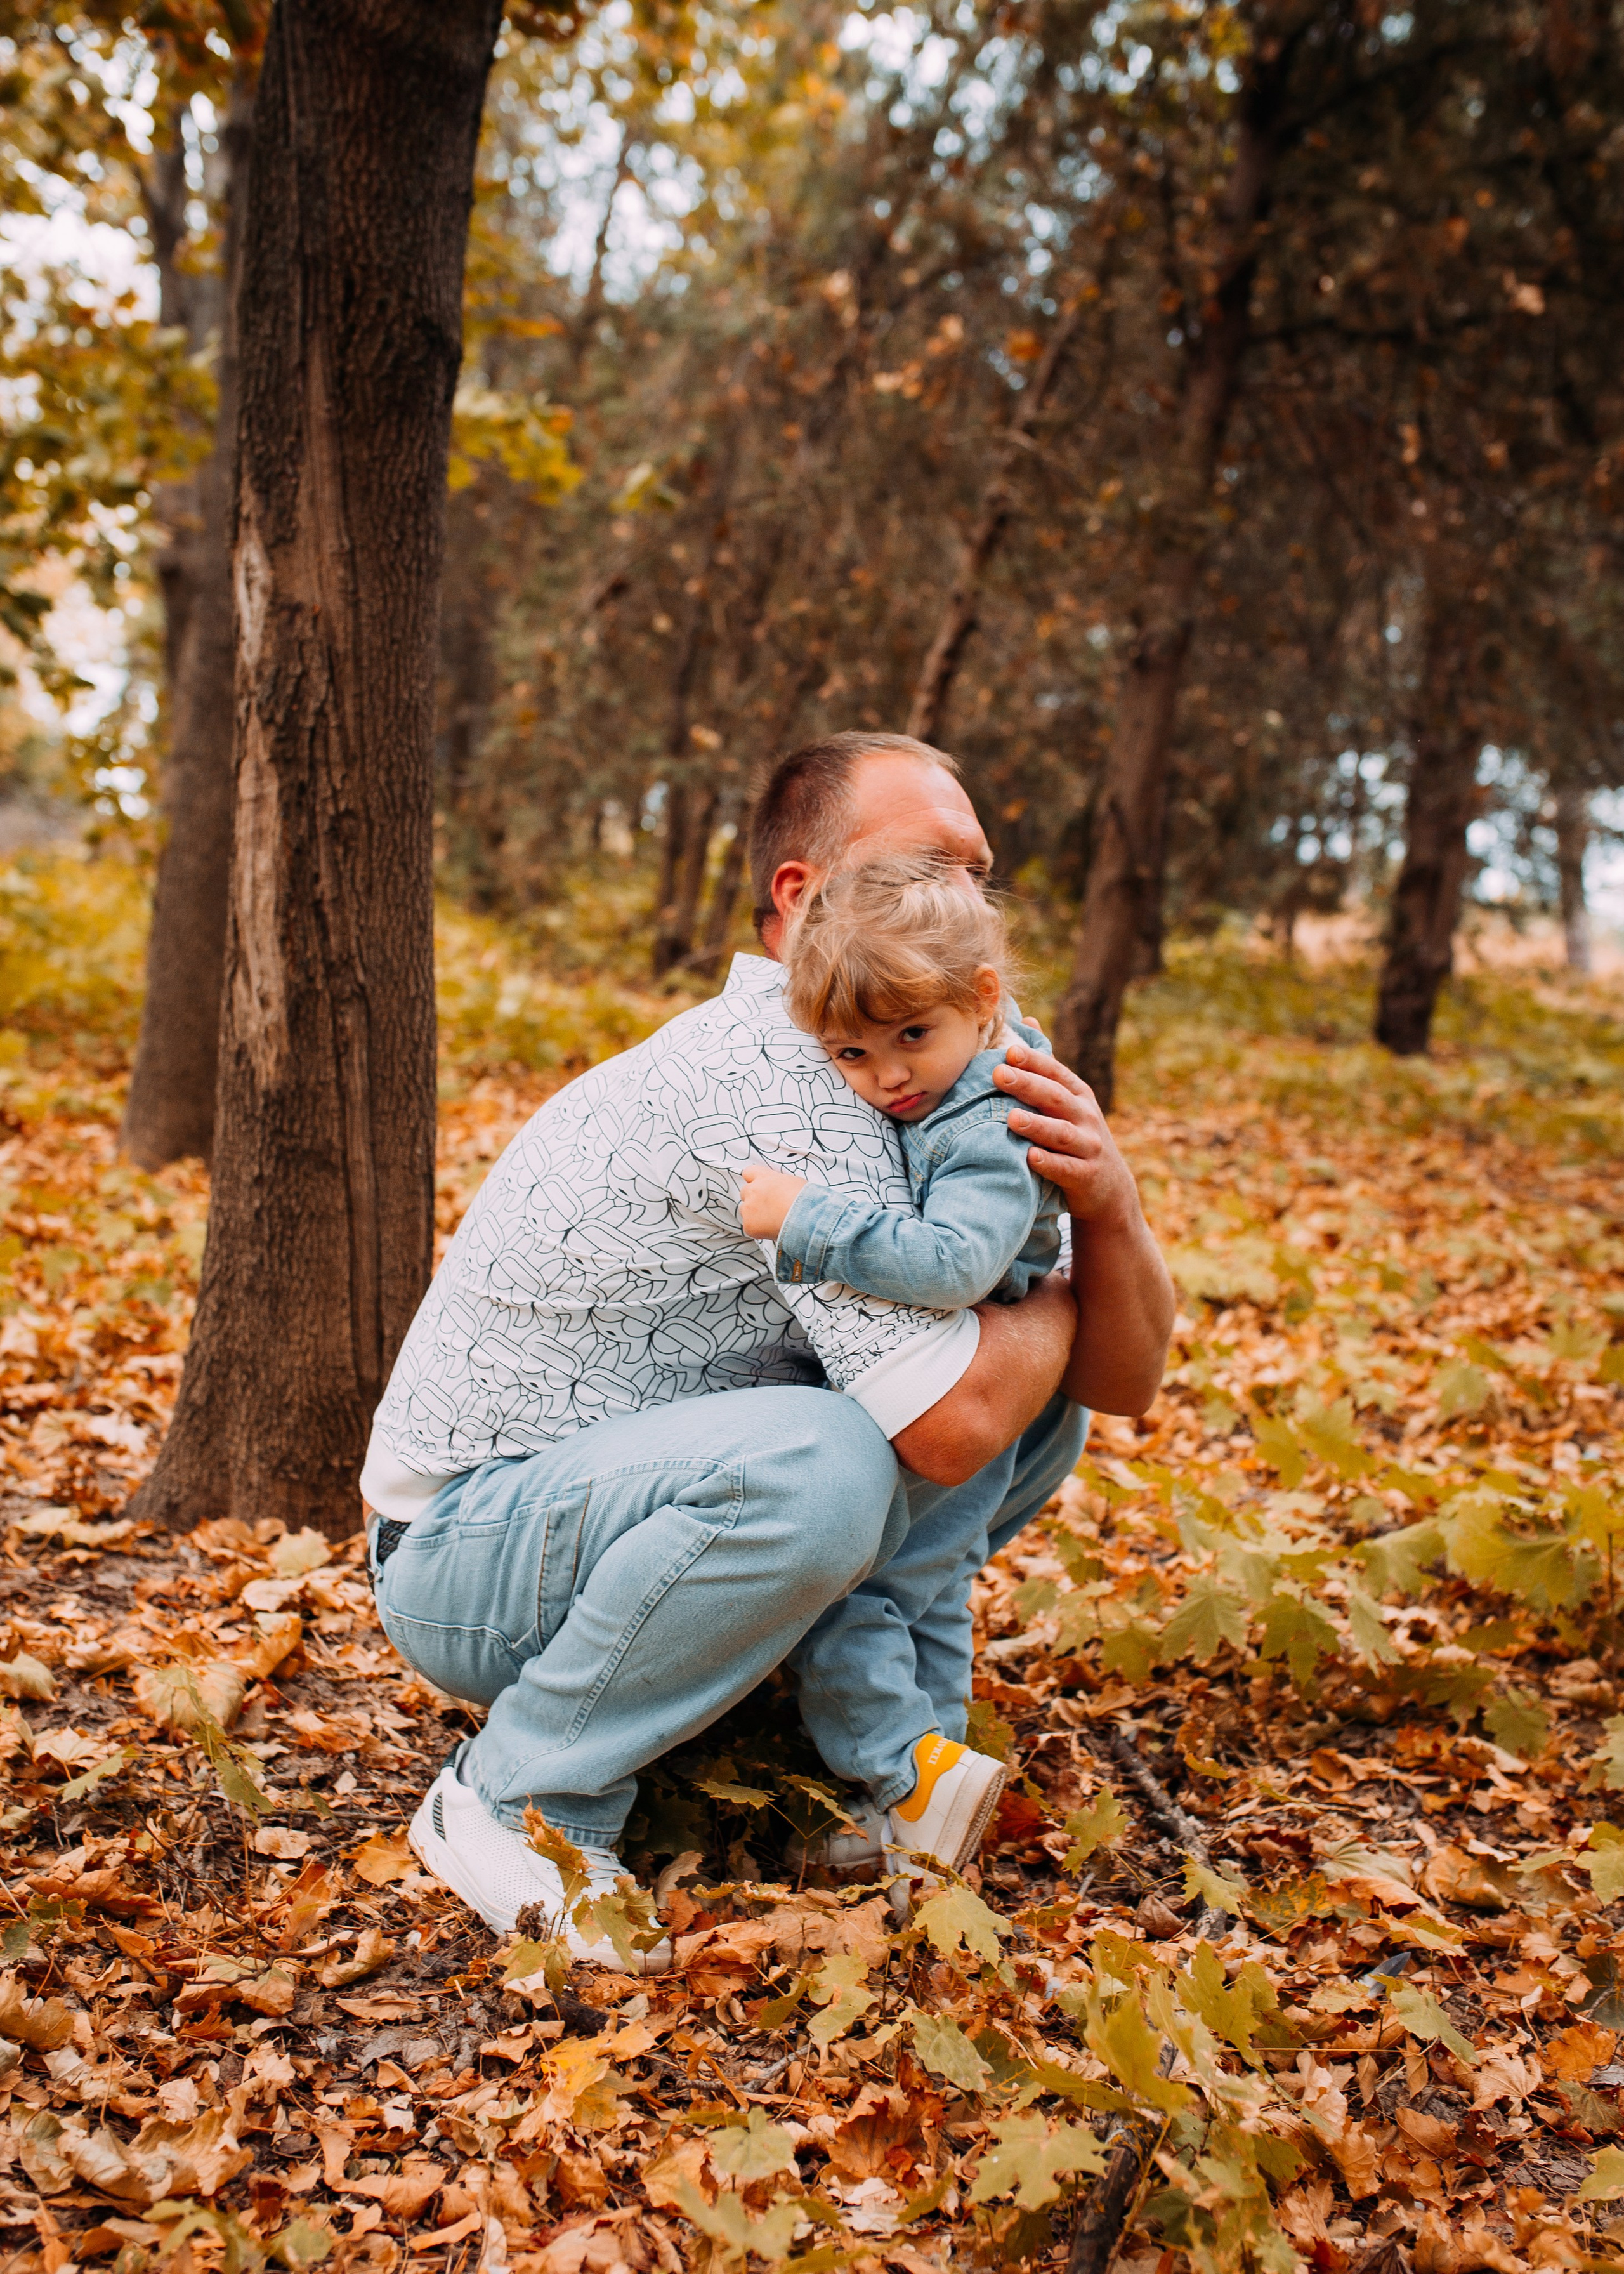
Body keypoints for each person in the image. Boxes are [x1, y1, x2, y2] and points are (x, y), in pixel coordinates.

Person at [361, 730, 1175, 1968]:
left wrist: (1105, 1204)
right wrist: (1056, 1290)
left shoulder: (932, 1040)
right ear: (800, 901)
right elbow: (951, 1426)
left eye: (977, 872)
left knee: (1031, 1400)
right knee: (845, 1452)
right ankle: (520, 1796)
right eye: (924, 868)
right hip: (465, 1558)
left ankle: (876, 1764)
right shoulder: (791, 1072)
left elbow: (1120, 1383)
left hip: (629, 1504)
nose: (964, 902)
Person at [740, 853, 1063, 1310]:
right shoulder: (955, 1066)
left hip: (990, 1353)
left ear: (981, 998)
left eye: (913, 1034)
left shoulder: (991, 1127)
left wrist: (803, 1218)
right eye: (852, 1053)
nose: (891, 1077)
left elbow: (955, 1270)